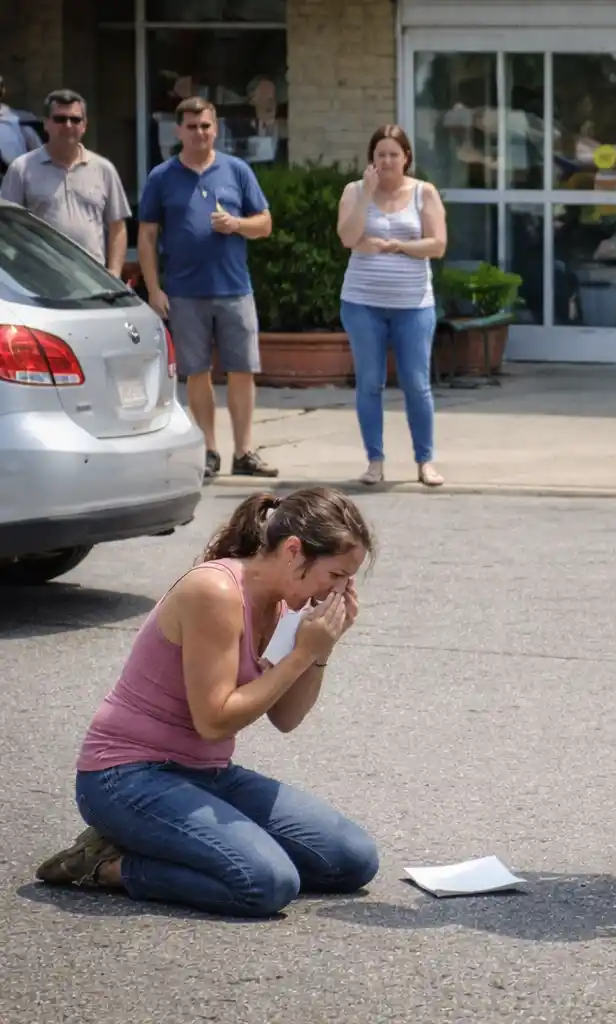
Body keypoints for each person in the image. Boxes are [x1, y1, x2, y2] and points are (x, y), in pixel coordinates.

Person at [34, 487, 380, 918]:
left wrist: (321, 650)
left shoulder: (284, 603)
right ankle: (106, 864)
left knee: (352, 859)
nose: (341, 590)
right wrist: (301, 655)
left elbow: (286, 717)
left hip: (207, 774)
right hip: (126, 777)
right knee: (267, 884)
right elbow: (214, 722)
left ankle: (188, 843)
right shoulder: (215, 592)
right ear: (294, 550)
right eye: (336, 574)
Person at [137, 95, 278, 483]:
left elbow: (264, 224)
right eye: (192, 126)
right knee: (196, 372)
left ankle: (245, 451)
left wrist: (236, 224)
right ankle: (209, 450)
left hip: (235, 289)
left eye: (206, 126)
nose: (199, 133)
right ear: (178, 130)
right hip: (184, 291)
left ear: (216, 129)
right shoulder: (161, 177)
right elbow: (147, 236)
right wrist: (155, 289)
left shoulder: (237, 170)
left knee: (242, 370)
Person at [337, 124, 447, 488]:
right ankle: (375, 461)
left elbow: (437, 245)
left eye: (393, 154)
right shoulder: (355, 191)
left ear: (406, 158)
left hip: (413, 304)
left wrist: (398, 246)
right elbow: (349, 237)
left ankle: (425, 461)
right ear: (372, 158)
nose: (386, 161)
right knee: (370, 383)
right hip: (362, 302)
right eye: (380, 154)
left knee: (417, 383)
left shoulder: (423, 193)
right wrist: (367, 196)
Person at [0, 88, 131, 277]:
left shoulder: (104, 169)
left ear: (85, 125)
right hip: (39, 279)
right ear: (46, 124)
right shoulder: (22, 169)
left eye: (75, 119)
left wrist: (114, 272)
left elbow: (117, 227)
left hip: (92, 281)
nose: (68, 125)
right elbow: (7, 226)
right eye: (60, 119)